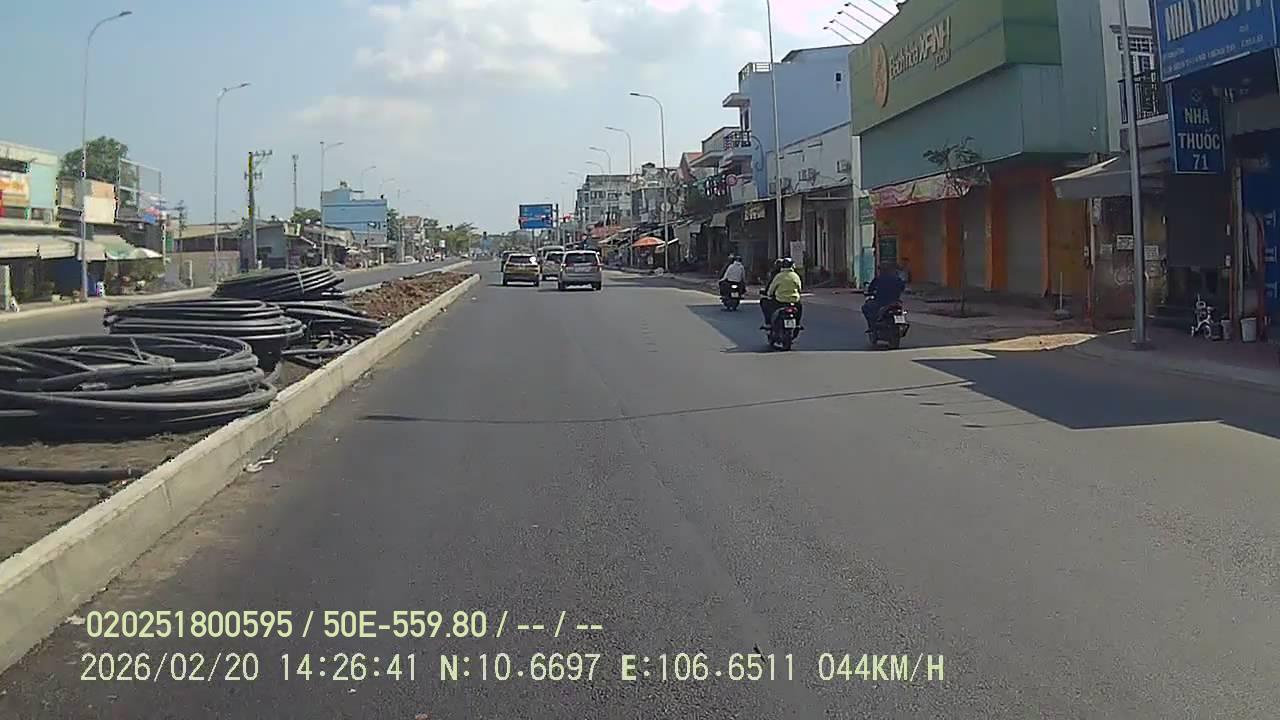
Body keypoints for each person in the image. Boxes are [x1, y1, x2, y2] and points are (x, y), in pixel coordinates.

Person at [761, 257, 803, 329]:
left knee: (764, 302)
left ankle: (768, 323)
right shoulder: (796, 276)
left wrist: (769, 294)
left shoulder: (779, 276)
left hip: (780, 300)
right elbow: (799, 288)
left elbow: (771, 289)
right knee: (800, 307)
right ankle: (797, 323)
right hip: (794, 300)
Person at [862, 262, 906, 330]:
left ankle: (872, 326)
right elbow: (902, 288)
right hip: (895, 302)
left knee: (866, 307)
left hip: (882, 302)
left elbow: (870, 288)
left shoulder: (879, 278)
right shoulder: (897, 278)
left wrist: (871, 292)